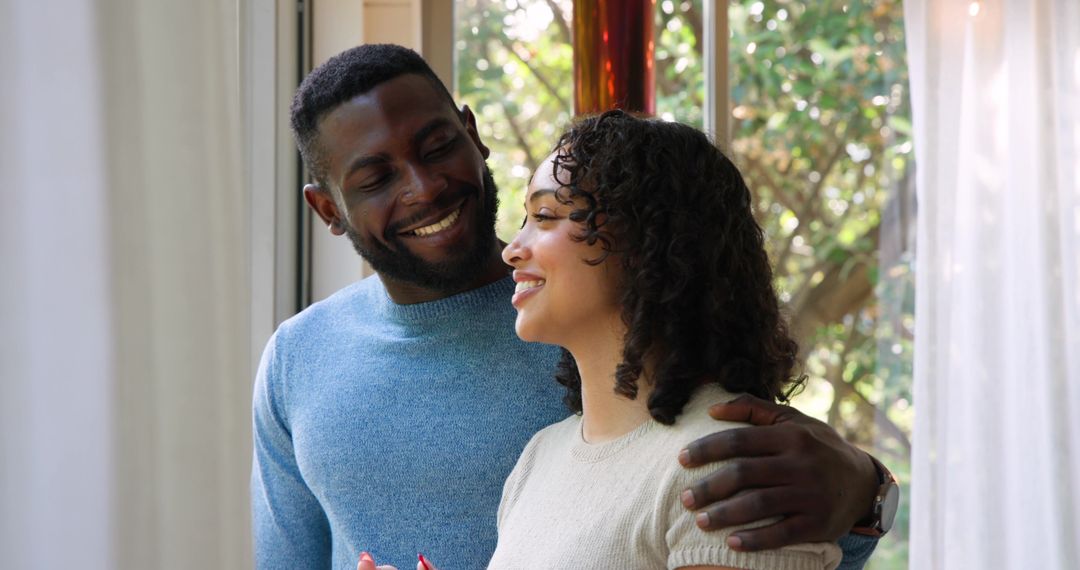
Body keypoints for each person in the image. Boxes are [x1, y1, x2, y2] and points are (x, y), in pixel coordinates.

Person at [253, 43, 889, 570]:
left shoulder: (611, 336)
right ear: (329, 210)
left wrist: (866, 490)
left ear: (473, 138)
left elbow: (777, 522)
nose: (423, 188)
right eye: (376, 179)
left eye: (437, 146)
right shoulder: (298, 360)